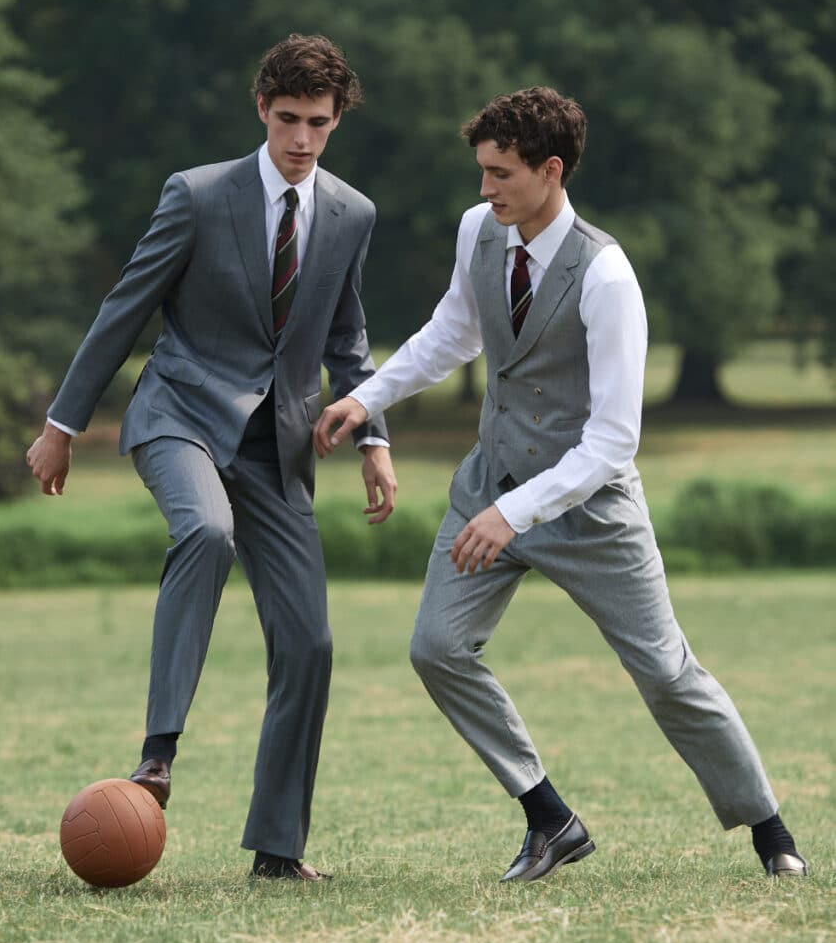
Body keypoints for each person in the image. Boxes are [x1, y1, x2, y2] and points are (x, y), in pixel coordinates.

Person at [313, 86, 807, 881]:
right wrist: (368, 396)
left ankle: (771, 831)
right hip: (491, 485)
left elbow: (615, 439)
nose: (484, 190)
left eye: (500, 173)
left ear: (550, 171)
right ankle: (550, 817)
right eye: (481, 171)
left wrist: (516, 512)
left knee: (666, 672)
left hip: (589, 507)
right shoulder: (482, 229)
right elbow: (454, 331)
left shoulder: (608, 277)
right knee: (437, 648)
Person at [26, 34, 396, 881]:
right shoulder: (195, 196)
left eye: (320, 124)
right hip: (181, 413)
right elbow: (126, 308)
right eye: (289, 119)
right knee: (205, 532)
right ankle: (158, 751)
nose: (303, 139)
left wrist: (372, 436)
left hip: (278, 448)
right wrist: (61, 424)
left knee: (309, 643)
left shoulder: (353, 213)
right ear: (262, 110)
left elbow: (347, 336)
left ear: (338, 122)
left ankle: (277, 849)